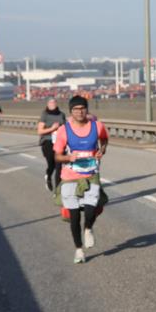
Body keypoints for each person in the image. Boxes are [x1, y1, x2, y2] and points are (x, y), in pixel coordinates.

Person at [54, 95, 109, 264]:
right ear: (71, 112)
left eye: (82, 108)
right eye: (76, 109)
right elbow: (57, 156)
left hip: (91, 173)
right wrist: (69, 158)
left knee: (92, 207)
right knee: (75, 216)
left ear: (87, 109)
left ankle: (88, 228)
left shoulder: (97, 126)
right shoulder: (63, 130)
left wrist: (102, 150)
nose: (79, 111)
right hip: (70, 177)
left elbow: (105, 139)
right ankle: (79, 250)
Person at [36, 97, 65, 191]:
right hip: (47, 141)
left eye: (54, 102)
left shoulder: (61, 114)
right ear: (47, 104)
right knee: (51, 164)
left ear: (56, 103)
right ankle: (48, 176)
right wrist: (52, 128)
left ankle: (58, 190)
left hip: (59, 142)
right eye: (50, 102)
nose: (52, 104)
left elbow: (65, 128)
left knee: (59, 166)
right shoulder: (45, 115)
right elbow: (40, 131)